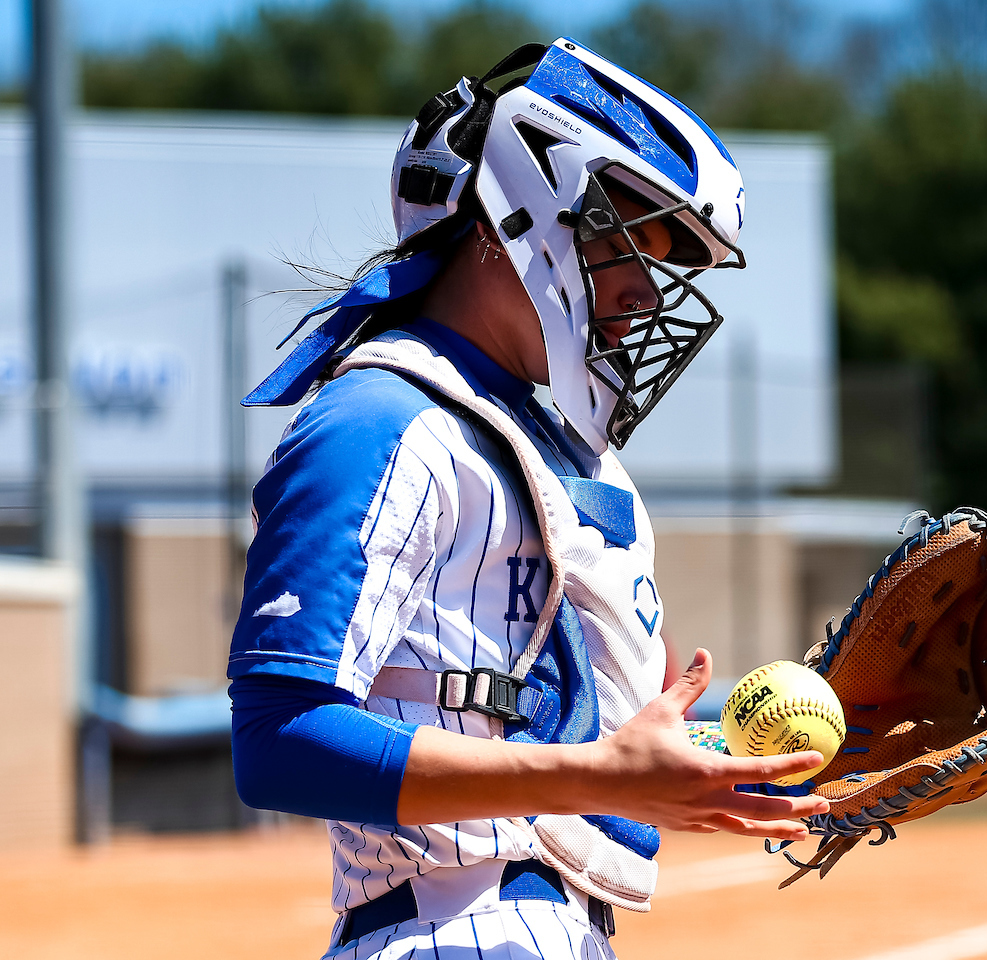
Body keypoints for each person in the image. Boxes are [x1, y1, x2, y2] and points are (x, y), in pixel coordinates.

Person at [227, 39, 829, 960]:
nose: (642, 293)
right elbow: (278, 739)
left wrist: (813, 748)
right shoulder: (378, 418)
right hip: (448, 924)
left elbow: (612, 731)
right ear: (520, 212)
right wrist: (598, 775)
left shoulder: (544, 445)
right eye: (627, 243)